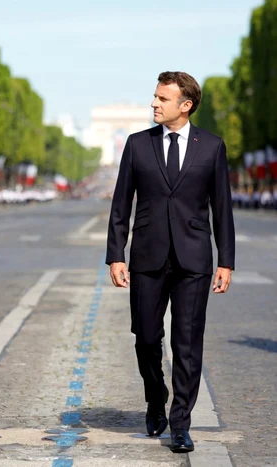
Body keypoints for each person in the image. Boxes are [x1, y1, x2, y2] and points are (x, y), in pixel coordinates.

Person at [106, 72, 235, 453]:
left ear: (186, 105)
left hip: (194, 259)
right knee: (146, 337)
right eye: (154, 97)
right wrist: (116, 253)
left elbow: (223, 209)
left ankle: (180, 423)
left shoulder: (212, 147)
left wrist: (226, 260)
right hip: (146, 256)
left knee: (187, 343)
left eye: (162, 99)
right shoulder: (136, 144)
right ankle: (154, 393)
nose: (154, 104)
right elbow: (120, 205)